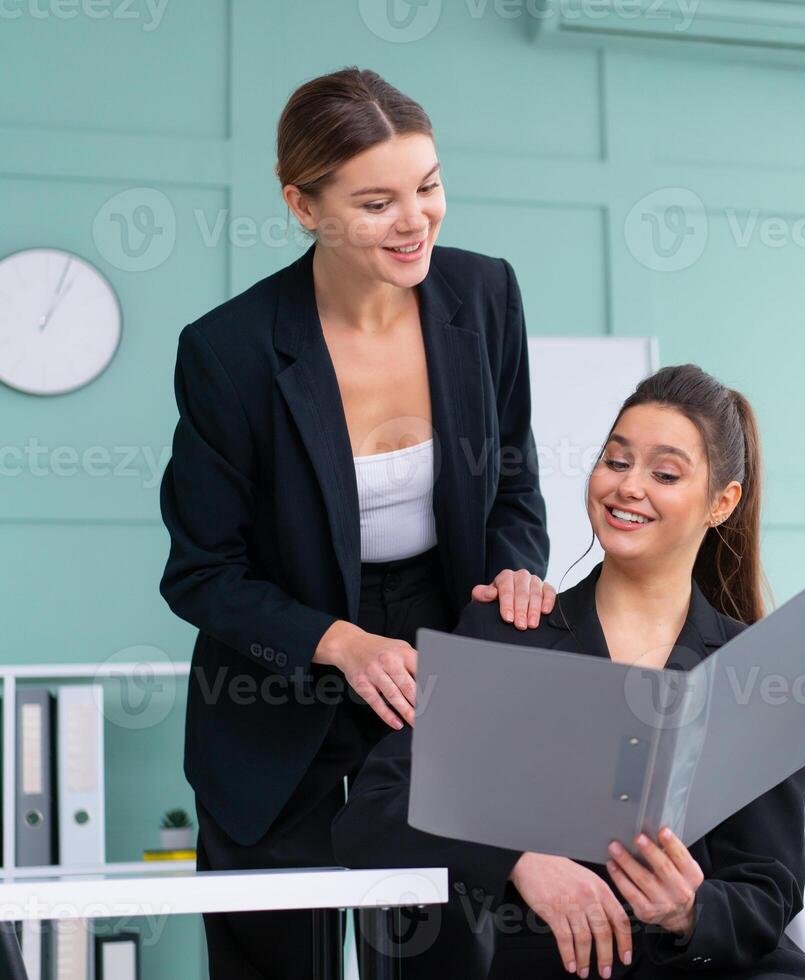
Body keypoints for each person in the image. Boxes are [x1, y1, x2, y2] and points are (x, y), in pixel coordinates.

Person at [157, 67, 558, 979]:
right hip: (280, 665)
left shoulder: (485, 296)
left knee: (442, 949)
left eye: (429, 186)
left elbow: (513, 487)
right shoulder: (227, 352)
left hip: (437, 652)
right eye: (377, 202)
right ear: (302, 205)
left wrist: (510, 581)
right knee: (278, 956)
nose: (416, 220)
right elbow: (202, 572)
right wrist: (339, 642)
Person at [332, 364, 805, 979]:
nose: (628, 487)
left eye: (665, 473)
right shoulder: (510, 637)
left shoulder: (756, 673)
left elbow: (768, 888)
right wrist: (514, 858)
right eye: (616, 462)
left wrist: (690, 911)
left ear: (722, 503)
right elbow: (372, 811)